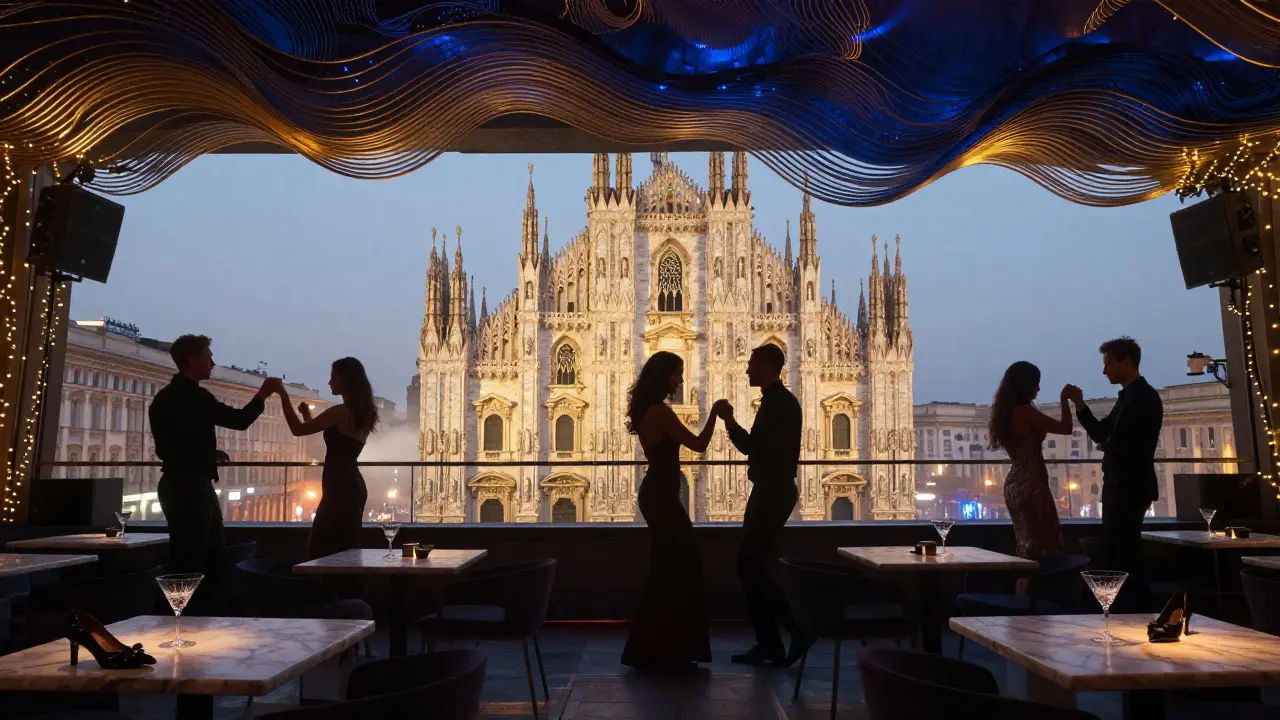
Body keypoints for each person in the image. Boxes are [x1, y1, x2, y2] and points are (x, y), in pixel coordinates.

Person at [149, 334, 279, 615]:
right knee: (202, 559)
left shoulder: (164, 398)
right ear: (191, 359)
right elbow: (239, 420)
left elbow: (171, 445)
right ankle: (191, 618)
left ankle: (179, 618)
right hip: (192, 488)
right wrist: (263, 394)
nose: (213, 362)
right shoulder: (195, 397)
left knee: (188, 555)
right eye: (208, 356)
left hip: (175, 484)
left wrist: (208, 453)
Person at [621, 351, 719, 672]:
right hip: (662, 497)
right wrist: (715, 414)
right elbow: (699, 444)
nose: (680, 380)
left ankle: (657, 649)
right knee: (682, 567)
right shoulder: (661, 412)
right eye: (677, 373)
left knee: (667, 570)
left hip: (657, 494)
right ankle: (666, 649)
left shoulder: (647, 410)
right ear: (663, 377)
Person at [714, 343, 809, 667]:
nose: (747, 369)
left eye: (752, 364)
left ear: (768, 366)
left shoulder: (780, 404)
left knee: (749, 565)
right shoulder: (775, 401)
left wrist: (729, 421)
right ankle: (772, 643)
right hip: (769, 490)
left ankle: (795, 630)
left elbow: (752, 447)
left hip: (774, 491)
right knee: (754, 566)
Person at [1065, 337, 1163, 612]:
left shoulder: (1141, 397)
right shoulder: (1131, 397)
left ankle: (1133, 610)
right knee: (1122, 552)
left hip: (1128, 486)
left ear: (1126, 362)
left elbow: (1122, 442)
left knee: (1122, 553)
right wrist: (1080, 405)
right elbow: (1102, 434)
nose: (1104, 370)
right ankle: (1132, 611)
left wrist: (1107, 444)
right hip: (1124, 485)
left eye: (1108, 363)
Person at [275, 358, 379, 560]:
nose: (329, 382)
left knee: (321, 546)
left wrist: (283, 395)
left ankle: (329, 580)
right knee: (343, 546)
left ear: (345, 380)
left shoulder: (340, 412)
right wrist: (307, 416)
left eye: (333, 377)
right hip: (350, 484)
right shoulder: (362, 412)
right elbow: (337, 444)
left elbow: (298, 430)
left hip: (339, 487)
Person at [987, 361, 1071, 558]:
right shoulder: (1024, 412)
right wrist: (1065, 399)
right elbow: (1066, 428)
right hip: (1032, 483)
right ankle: (1041, 578)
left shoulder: (1004, 413)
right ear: (1025, 384)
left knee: (1026, 541)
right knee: (1044, 542)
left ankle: (1025, 576)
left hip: (1014, 483)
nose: (1038, 388)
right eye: (1036, 383)